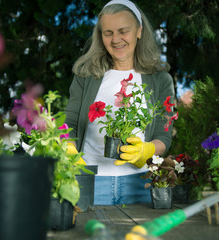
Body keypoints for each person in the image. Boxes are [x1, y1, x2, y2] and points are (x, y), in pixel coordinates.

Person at [65, 0, 175, 205]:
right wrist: (71, 152)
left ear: (139, 31)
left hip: (140, 185)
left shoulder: (160, 79)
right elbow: (69, 122)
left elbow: (163, 135)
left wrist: (147, 150)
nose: (116, 39)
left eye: (123, 31)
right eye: (108, 33)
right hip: (90, 182)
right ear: (100, 36)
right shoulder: (86, 75)